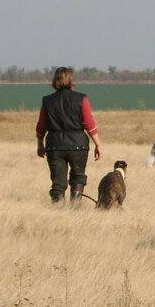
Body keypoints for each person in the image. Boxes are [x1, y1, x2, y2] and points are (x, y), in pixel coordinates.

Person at [36, 66, 104, 204]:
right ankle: (75, 206)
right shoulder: (81, 99)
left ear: (55, 80)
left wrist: (40, 144)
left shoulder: (47, 101)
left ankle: (58, 209)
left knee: (58, 182)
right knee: (78, 177)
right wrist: (98, 144)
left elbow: (41, 126)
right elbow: (89, 124)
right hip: (78, 144)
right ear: (71, 80)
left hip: (54, 145)